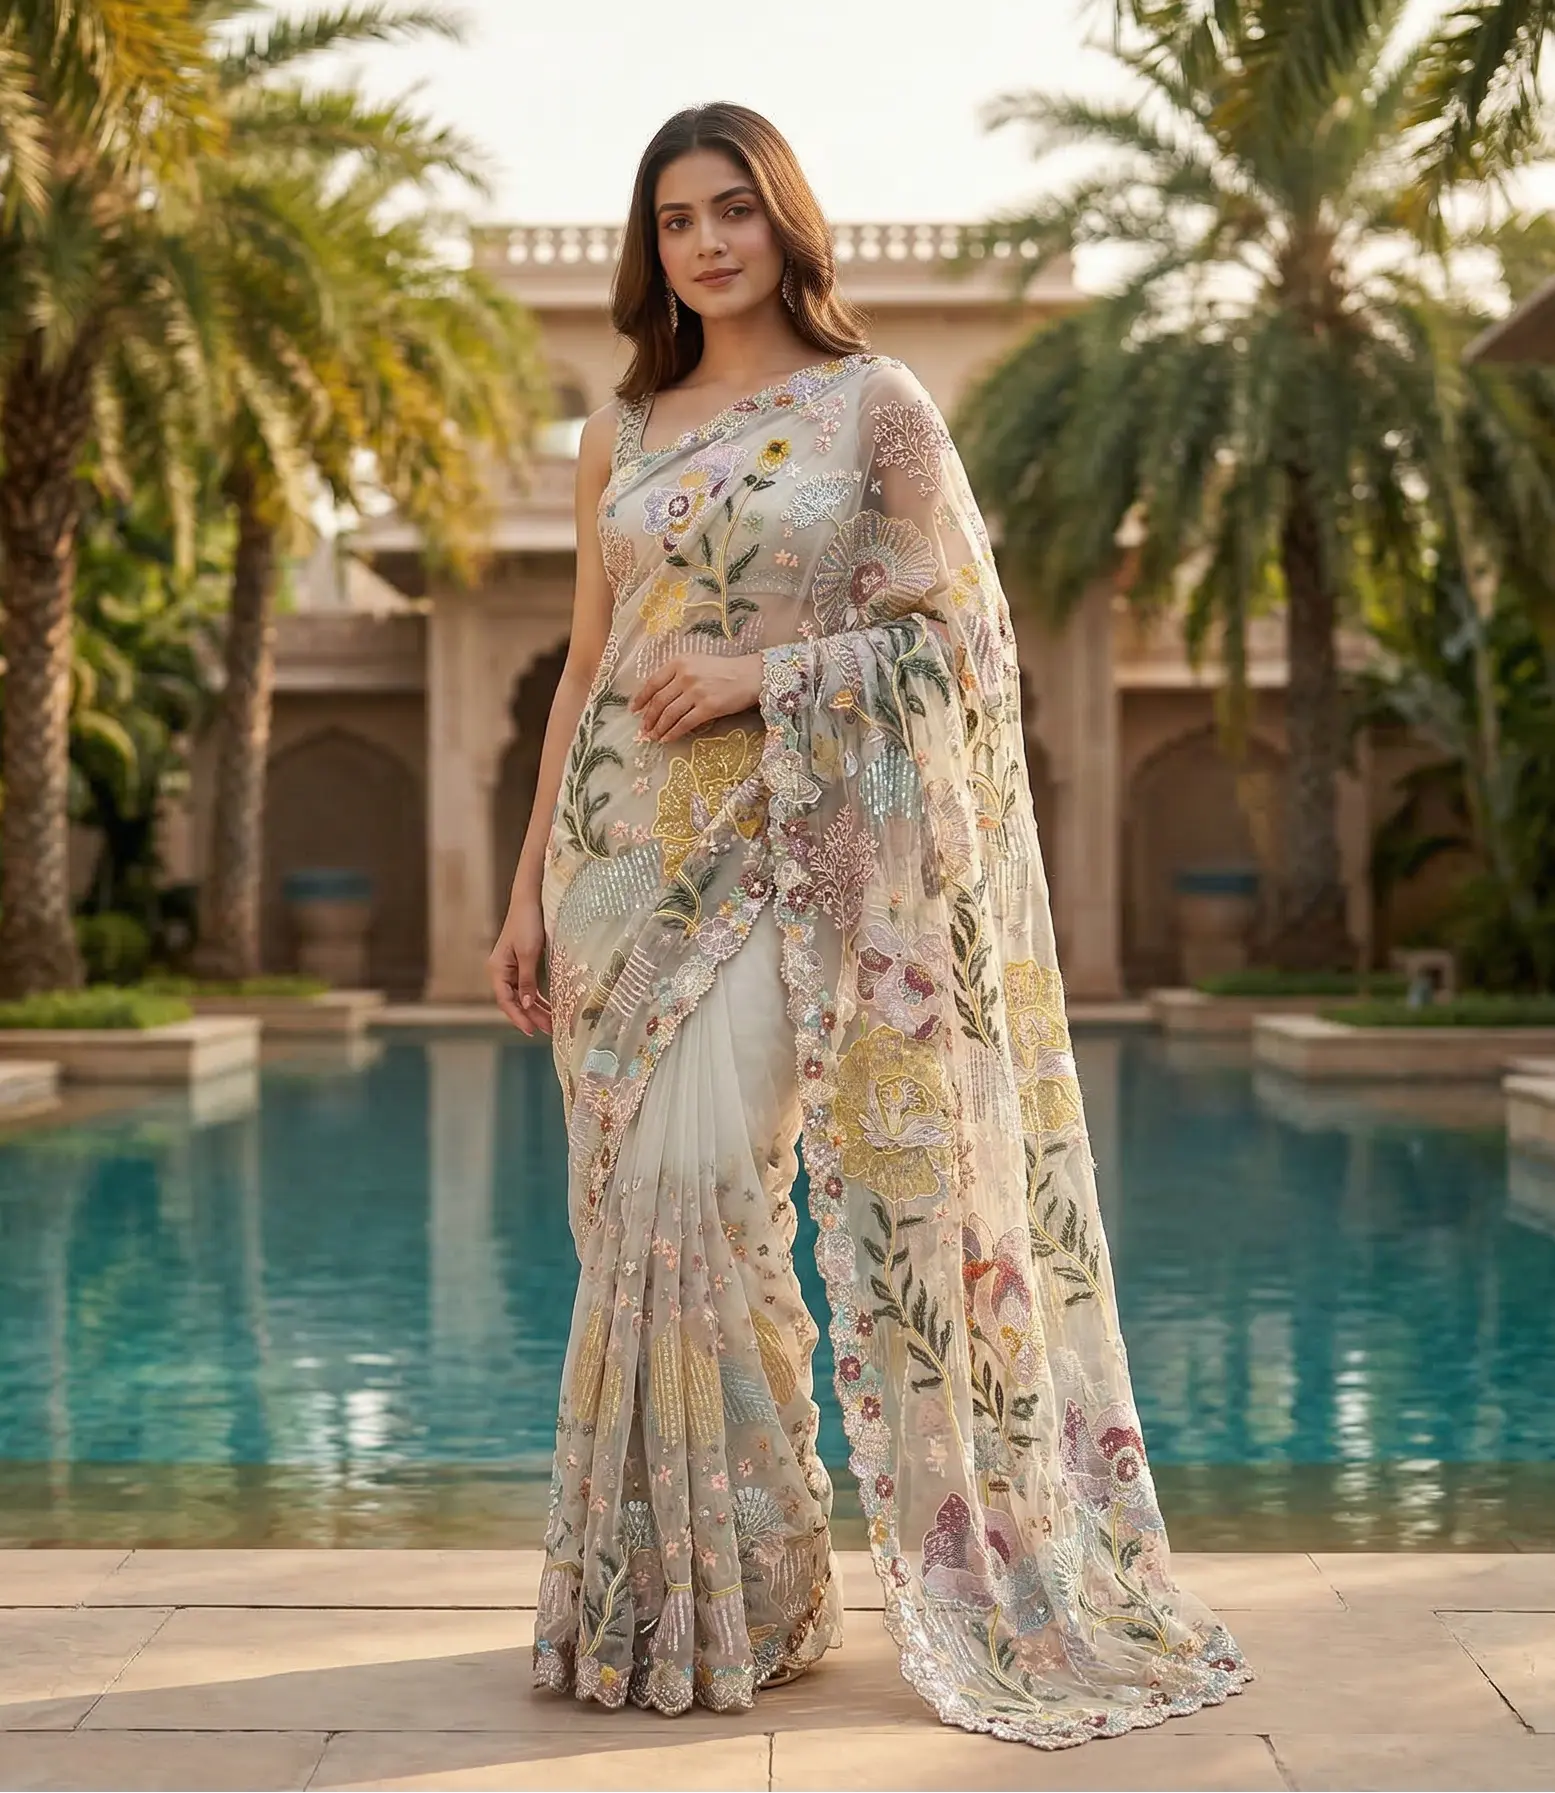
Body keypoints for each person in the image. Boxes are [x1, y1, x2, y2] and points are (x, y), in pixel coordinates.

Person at [487, 100, 1250, 1749]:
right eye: (676, 216)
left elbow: (967, 652)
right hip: (614, 865)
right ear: (653, 244)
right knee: (639, 1219)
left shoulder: (873, 411)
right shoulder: (614, 430)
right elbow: (584, 670)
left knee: (704, 1186)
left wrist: (768, 677)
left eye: (732, 210)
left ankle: (743, 1574)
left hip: (786, 855)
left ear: (784, 224)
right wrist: (523, 882)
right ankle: (700, 1590)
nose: (704, 242)